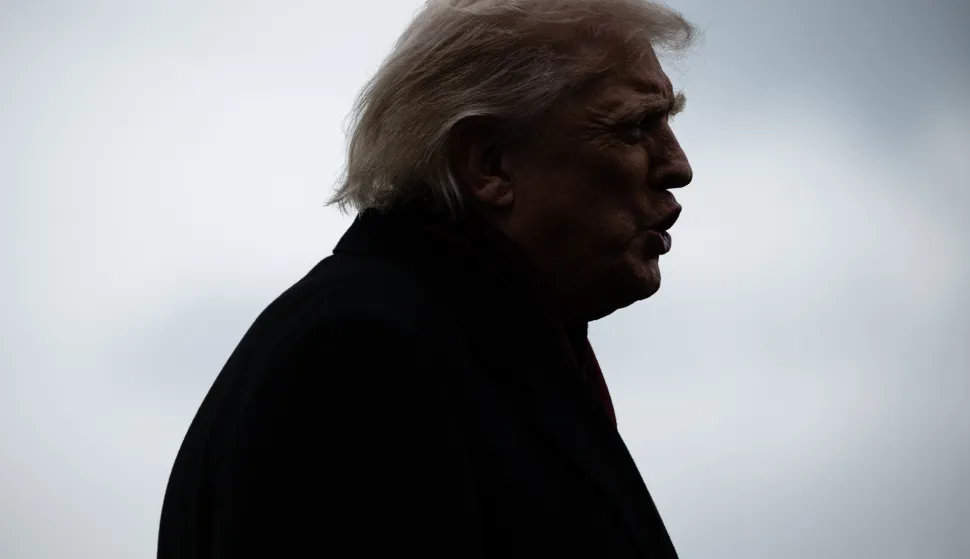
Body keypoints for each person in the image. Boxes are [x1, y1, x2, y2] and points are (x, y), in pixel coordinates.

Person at [158, 0, 697, 557]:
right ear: (489, 164)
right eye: (635, 126)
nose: (678, 165)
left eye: (668, 123)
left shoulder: (465, 346)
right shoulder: (363, 354)